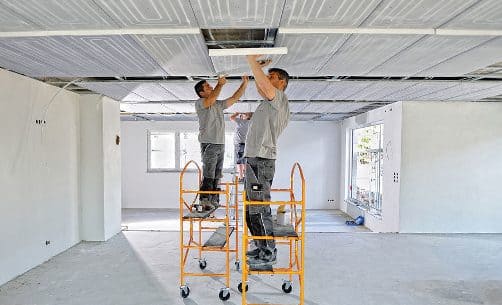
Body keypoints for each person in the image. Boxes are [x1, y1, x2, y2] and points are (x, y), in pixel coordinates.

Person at [244, 56, 290, 267]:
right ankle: (261, 246)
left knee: (259, 208)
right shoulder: (268, 103)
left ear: (282, 83)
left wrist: (251, 61)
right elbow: (261, 87)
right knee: (251, 209)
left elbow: (263, 86)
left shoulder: (279, 99)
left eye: (272, 77)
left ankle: (269, 251)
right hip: (255, 159)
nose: (267, 80)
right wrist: (257, 71)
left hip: (262, 161)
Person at [194, 75, 249, 211]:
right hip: (209, 143)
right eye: (207, 86)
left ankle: (214, 200)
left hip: (220, 144)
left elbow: (234, 98)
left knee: (217, 174)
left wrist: (245, 84)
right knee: (209, 173)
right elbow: (211, 99)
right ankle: (205, 201)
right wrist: (220, 84)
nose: (211, 86)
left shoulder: (218, 104)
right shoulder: (200, 103)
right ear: (201, 93)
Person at [230, 112, 253, 182]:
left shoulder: (241, 121)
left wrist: (237, 113)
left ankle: (240, 176)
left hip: (239, 144)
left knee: (239, 160)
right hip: (247, 144)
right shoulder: (251, 123)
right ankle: (245, 176)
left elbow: (231, 118)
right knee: (245, 160)